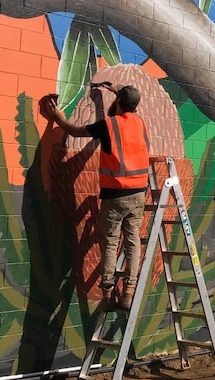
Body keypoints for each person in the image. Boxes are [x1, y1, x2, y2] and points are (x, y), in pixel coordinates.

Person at [41, 82, 151, 310]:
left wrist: (57, 116)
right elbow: (129, 107)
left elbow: (74, 131)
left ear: (119, 101)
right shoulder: (140, 123)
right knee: (132, 242)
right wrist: (116, 91)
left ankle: (109, 295)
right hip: (139, 192)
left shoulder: (108, 126)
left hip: (115, 195)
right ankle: (129, 292)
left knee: (110, 243)